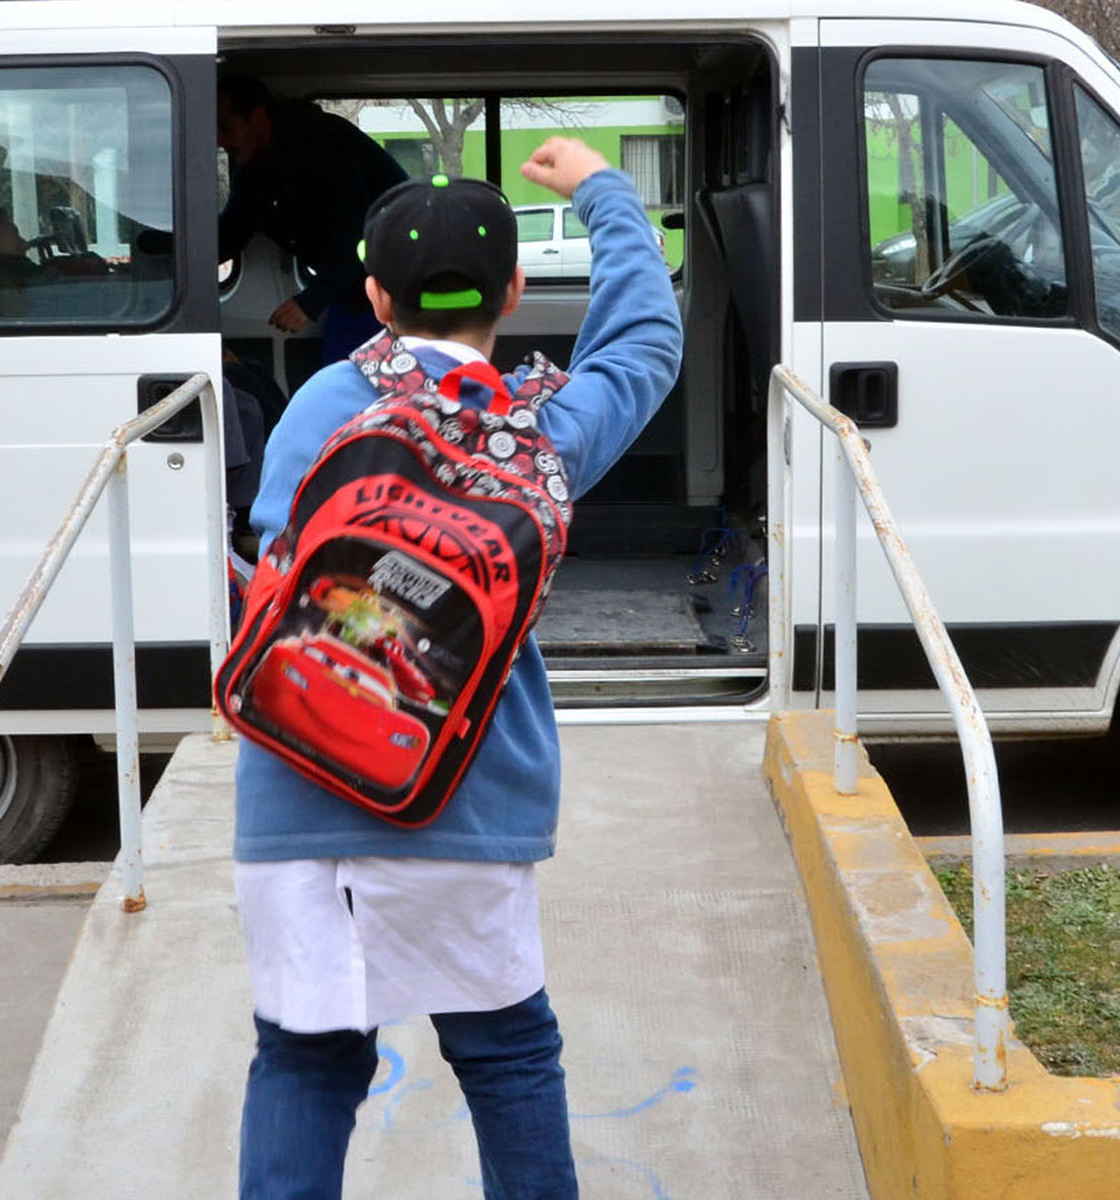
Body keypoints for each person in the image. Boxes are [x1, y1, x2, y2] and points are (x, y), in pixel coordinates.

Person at [231, 138, 682, 1200]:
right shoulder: (541, 430)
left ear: (376, 294)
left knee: (303, 1059)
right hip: (460, 802)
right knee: (508, 1056)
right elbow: (645, 340)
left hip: (293, 797)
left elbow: (274, 560)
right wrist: (606, 195)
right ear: (514, 292)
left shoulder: (318, 409)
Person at [216, 76, 409, 365]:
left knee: (364, 389)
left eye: (225, 126)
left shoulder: (326, 145)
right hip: (352, 292)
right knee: (342, 385)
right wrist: (160, 245)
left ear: (257, 117)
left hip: (395, 287)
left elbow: (354, 232)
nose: (219, 140)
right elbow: (232, 232)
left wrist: (310, 302)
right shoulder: (255, 166)